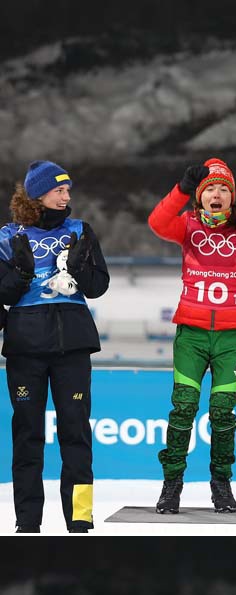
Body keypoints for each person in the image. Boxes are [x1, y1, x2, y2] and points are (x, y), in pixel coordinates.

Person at [148, 159, 236, 516]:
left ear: (232, 197)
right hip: (191, 333)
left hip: (232, 337)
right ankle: (171, 484)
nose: (217, 194)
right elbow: (158, 223)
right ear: (200, 197)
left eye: (223, 189)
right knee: (184, 408)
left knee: (222, 413)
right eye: (209, 189)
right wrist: (181, 189)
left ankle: (221, 483)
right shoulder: (188, 224)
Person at [0, 160, 109, 533]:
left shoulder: (81, 231)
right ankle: (27, 523)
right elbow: (3, 293)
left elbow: (97, 286)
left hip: (72, 348)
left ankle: (80, 519)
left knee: (76, 434)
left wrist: (79, 269)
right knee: (27, 436)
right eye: (60, 190)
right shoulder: (6, 237)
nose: (67, 197)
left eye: (68, 191)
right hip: (26, 349)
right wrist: (22, 272)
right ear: (37, 194)